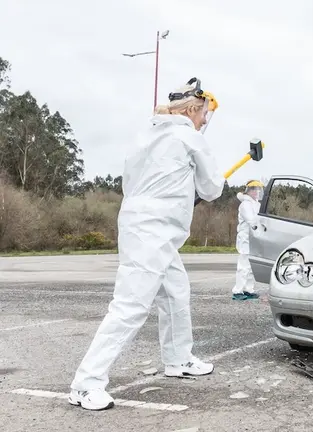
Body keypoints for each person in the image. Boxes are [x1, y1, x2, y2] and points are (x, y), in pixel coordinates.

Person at [68, 78, 225, 411]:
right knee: (130, 307)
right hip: (153, 232)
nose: (206, 120)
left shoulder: (145, 136)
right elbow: (212, 189)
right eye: (205, 114)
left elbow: (139, 182)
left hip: (144, 225)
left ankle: (178, 359)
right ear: (193, 109)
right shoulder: (190, 137)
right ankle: (86, 384)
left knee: (176, 293)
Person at [232, 180, 264, 300]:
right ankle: (238, 291)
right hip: (245, 239)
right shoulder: (245, 204)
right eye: (254, 189)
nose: (257, 191)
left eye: (258, 189)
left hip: (254, 239)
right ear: (249, 191)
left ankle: (248, 289)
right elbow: (252, 221)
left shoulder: (256, 204)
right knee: (243, 265)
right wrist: (259, 227)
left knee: (250, 266)